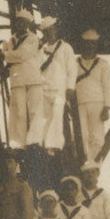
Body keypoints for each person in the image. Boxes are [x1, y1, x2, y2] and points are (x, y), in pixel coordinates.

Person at [0, 12, 44, 148]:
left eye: (23, 22)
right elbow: (4, 55)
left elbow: (23, 54)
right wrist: (0, 52)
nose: (20, 24)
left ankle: (35, 142)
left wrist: (4, 55)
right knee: (19, 112)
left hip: (32, 78)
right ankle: (19, 143)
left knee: (34, 111)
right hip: (17, 79)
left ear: (28, 24)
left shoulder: (33, 38)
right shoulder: (10, 40)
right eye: (19, 21)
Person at [71, 32, 110, 161]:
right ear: (82, 45)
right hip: (79, 103)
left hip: (97, 104)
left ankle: (93, 164)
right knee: (80, 136)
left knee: (97, 137)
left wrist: (107, 107)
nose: (89, 47)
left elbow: (108, 86)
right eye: (87, 43)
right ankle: (83, 163)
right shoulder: (74, 63)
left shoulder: (103, 64)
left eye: (93, 44)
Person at [36, 17, 73, 151]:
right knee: (45, 118)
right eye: (46, 31)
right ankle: (44, 144)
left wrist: (70, 87)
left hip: (59, 88)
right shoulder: (41, 49)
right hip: (44, 87)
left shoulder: (65, 47)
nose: (50, 33)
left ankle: (54, 146)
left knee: (57, 117)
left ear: (56, 30)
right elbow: (36, 67)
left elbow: (72, 69)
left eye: (51, 30)